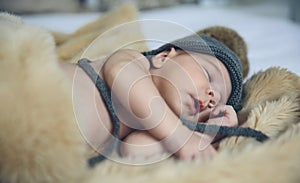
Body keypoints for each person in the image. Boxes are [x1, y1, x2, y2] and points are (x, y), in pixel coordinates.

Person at [59, 34, 243, 161]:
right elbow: (121, 73)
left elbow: (133, 150)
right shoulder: (135, 62)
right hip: (40, 88)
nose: (212, 97)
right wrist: (178, 134)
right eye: (208, 75)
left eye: (216, 103)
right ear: (163, 57)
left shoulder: (156, 126)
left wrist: (207, 134)